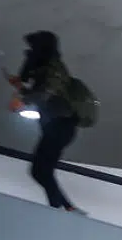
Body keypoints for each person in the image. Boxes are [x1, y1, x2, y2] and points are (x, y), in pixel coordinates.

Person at [6, 31, 84, 213]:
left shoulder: (53, 68)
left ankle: (63, 209)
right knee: (42, 171)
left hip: (61, 126)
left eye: (33, 47)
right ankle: (66, 208)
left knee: (40, 171)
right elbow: (43, 94)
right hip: (57, 127)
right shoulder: (46, 67)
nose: (30, 51)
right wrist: (20, 87)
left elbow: (46, 93)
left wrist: (23, 100)